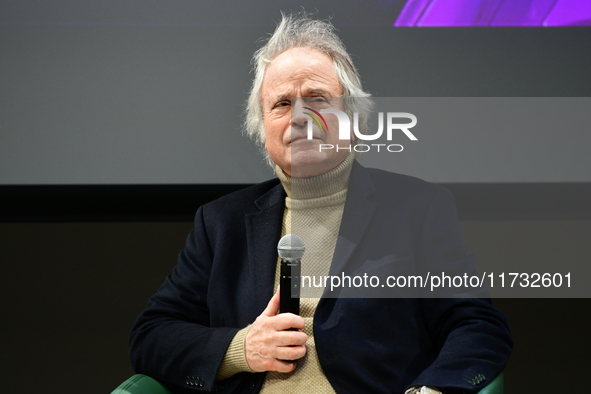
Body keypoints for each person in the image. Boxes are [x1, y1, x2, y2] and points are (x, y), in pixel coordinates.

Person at [130, 13, 512, 394]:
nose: (300, 116)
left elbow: (476, 326)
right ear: (264, 130)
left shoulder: (417, 208)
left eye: (317, 98)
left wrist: (432, 392)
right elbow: (152, 336)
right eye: (281, 104)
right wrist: (239, 349)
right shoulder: (220, 223)